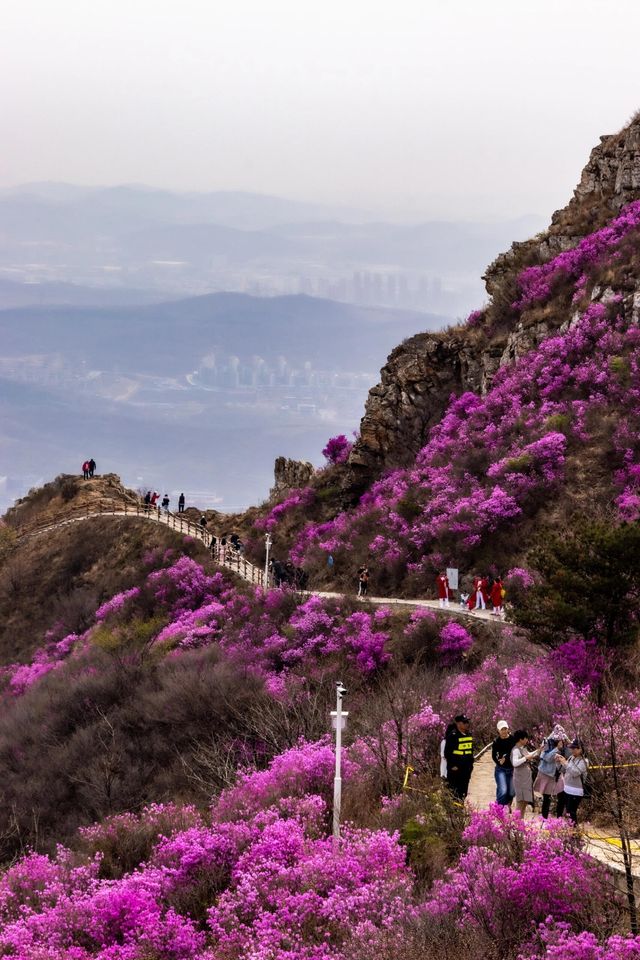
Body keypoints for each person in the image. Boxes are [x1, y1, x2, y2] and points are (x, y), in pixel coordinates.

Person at [556, 739, 588, 824]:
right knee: (568, 813)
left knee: (571, 813)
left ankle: (575, 834)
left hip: (576, 791)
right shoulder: (571, 757)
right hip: (567, 789)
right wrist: (559, 762)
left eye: (574, 748)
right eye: (572, 748)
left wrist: (565, 763)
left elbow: (575, 772)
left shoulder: (584, 761)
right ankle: (572, 833)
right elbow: (563, 770)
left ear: (580, 749)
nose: (572, 750)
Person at [444, 714, 474, 800]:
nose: (467, 724)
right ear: (458, 724)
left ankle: (460, 809)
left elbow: (470, 750)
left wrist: (471, 765)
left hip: (466, 769)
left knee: (463, 791)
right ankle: (455, 812)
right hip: (456, 770)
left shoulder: (469, 734)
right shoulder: (453, 736)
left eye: (467, 722)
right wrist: (453, 766)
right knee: (454, 792)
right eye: (464, 722)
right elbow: (447, 753)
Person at [511, 729, 540, 817]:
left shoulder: (522, 748)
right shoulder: (515, 750)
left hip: (525, 779)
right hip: (520, 779)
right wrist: (526, 758)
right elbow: (514, 762)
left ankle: (520, 822)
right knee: (520, 802)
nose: (527, 740)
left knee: (524, 802)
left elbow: (529, 754)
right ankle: (516, 823)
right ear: (521, 739)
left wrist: (538, 750)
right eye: (526, 738)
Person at [492, 720, 515, 807]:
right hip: (500, 769)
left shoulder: (513, 740)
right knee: (503, 789)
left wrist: (507, 758)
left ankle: (508, 805)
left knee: (511, 791)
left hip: (512, 769)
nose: (504, 731)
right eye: (502, 729)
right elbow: (494, 756)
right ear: (498, 730)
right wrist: (499, 761)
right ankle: (499, 809)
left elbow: (515, 751)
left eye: (505, 729)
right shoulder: (496, 742)